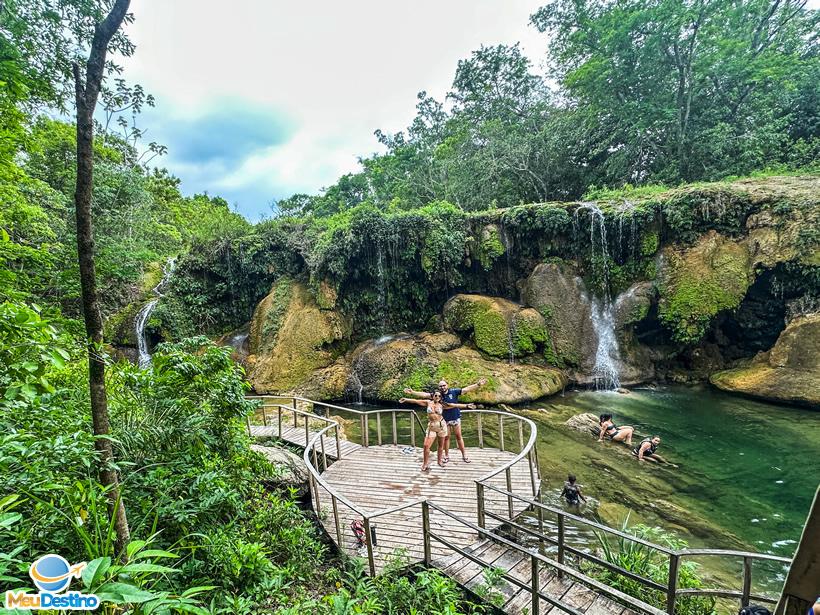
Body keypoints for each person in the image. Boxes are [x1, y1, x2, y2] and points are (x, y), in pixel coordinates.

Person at [404, 378, 487, 463]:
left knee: (459, 436)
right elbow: (424, 395)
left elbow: (466, 389)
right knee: (447, 438)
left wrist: (478, 384)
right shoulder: (437, 395)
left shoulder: (454, 391)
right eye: (441, 386)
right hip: (444, 420)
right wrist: (412, 392)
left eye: (444, 385)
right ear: (439, 387)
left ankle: (464, 455)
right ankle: (446, 456)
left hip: (455, 417)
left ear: (447, 385)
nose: (442, 387)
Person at [399, 391, 474, 472]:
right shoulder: (428, 402)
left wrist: (466, 405)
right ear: (433, 396)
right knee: (426, 446)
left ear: (441, 397)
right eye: (435, 395)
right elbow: (416, 401)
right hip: (432, 427)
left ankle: (439, 461)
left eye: (439, 396)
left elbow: (454, 405)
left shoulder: (442, 405)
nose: (437, 397)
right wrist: (406, 399)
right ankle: (425, 463)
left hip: (442, 426)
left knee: (441, 446)